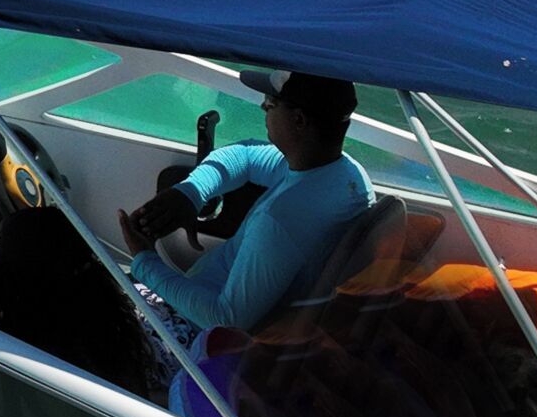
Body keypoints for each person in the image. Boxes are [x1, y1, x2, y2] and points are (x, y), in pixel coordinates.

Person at [118, 71, 376, 340]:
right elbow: (245, 155)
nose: (262, 106)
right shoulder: (345, 173)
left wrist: (144, 259)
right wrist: (190, 194)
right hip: (194, 310)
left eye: (270, 103)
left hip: (189, 332)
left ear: (299, 120)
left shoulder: (281, 221)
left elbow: (226, 321)